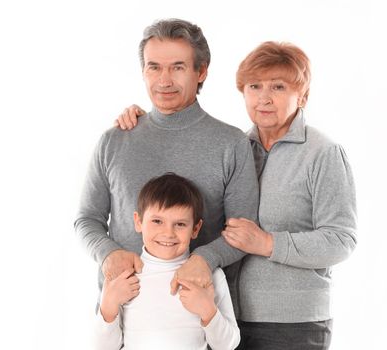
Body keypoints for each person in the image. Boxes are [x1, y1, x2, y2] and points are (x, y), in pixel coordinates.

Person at [114, 41, 357, 350]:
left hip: (291, 324)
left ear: (303, 95)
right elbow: (180, 197)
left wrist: (268, 243)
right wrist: (145, 122)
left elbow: (341, 240)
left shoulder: (322, 153)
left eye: (278, 87)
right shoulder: (236, 147)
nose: (264, 98)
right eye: (255, 86)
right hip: (225, 318)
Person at [74, 18, 259, 315]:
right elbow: (86, 219)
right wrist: (108, 254)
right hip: (122, 319)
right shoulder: (114, 140)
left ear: (201, 71)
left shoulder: (231, 143)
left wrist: (205, 258)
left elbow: (244, 232)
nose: (164, 80)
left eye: (177, 67)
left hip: (201, 323)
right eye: (154, 67)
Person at [94, 173, 240, 349]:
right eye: (157, 221)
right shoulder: (124, 275)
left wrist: (208, 311)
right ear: (138, 221)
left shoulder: (209, 276)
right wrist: (108, 306)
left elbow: (228, 345)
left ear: (195, 228)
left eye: (180, 224)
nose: (168, 233)